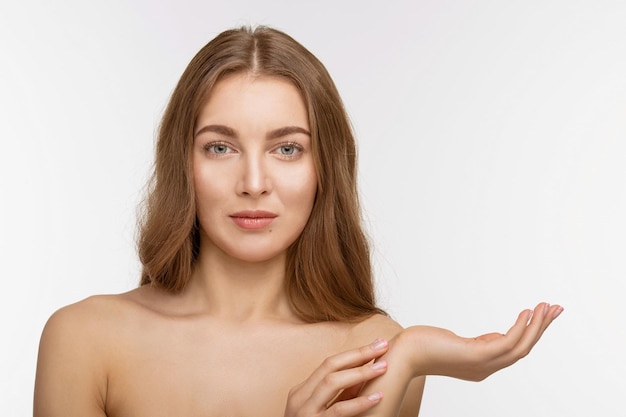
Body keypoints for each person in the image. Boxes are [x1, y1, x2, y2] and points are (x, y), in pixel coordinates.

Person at [33, 26, 563, 417]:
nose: (254, 181)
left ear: (323, 168)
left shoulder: (375, 351)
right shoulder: (84, 341)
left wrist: (411, 355)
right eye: (220, 147)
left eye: (287, 148)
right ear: (183, 163)